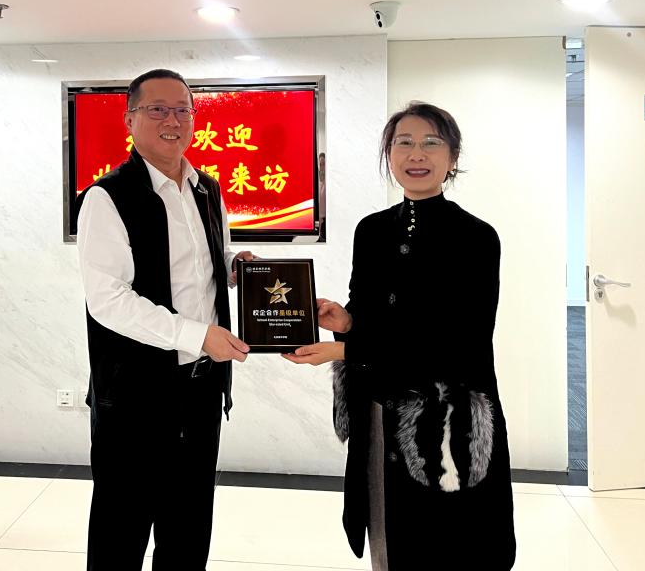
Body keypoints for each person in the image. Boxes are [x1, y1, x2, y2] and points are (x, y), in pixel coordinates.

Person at [284, 102, 516, 570]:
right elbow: (371, 312)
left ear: (452, 157)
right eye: (403, 143)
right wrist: (345, 321)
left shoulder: (476, 236)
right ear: (389, 154)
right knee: (389, 539)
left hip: (446, 420)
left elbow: (462, 341)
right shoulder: (372, 230)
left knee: (450, 546)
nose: (417, 154)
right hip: (378, 409)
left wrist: (346, 348)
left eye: (431, 143)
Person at [76, 68, 254, 571]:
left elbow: (196, 266)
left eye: (182, 110)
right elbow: (108, 300)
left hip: (202, 389)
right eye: (157, 109)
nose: (172, 120)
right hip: (135, 397)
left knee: (188, 530)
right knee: (121, 532)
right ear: (130, 119)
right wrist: (198, 335)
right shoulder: (106, 197)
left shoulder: (207, 189)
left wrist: (235, 268)